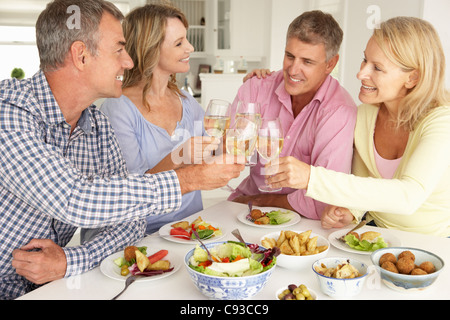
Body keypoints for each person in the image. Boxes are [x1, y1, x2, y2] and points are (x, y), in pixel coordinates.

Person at [0, 0, 243, 300]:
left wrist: (69, 261)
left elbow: (130, 224)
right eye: (119, 49)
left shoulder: (98, 126)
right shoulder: (8, 111)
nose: (129, 62)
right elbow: (74, 198)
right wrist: (188, 179)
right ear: (81, 55)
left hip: (51, 288)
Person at [266, 17, 450, 237]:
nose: (361, 73)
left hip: (433, 244)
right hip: (372, 235)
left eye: (377, 68)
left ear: (412, 78)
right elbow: (361, 183)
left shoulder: (441, 122)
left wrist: (311, 178)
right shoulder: (365, 114)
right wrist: (350, 212)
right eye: (365, 60)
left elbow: (408, 197)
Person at [228, 10, 357, 220]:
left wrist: (261, 202)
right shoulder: (256, 89)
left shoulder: (339, 111)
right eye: (290, 56)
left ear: (331, 64)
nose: (293, 70)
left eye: (307, 62)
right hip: (245, 207)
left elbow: (324, 197)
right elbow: (230, 153)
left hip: (303, 221)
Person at [94, 4, 210, 237]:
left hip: (194, 230)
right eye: (179, 43)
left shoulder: (187, 101)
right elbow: (132, 189)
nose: (190, 47)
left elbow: (212, 154)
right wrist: (179, 155)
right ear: (151, 50)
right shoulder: (118, 108)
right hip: (144, 235)